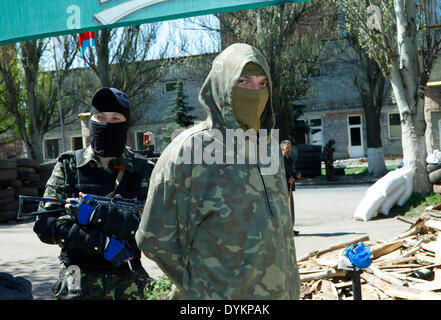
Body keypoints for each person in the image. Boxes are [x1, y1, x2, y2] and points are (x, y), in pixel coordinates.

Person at [136, 43, 300, 300]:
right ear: (222, 85)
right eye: (243, 82)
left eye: (262, 84)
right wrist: (205, 289)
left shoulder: (270, 149)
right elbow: (153, 238)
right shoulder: (190, 150)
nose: (254, 92)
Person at [33, 88, 154, 300]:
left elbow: (154, 228)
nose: (107, 123)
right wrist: (100, 243)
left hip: (127, 283)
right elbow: (45, 224)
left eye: (115, 118)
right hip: (76, 281)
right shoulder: (69, 165)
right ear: (91, 121)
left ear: (126, 125)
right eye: (100, 117)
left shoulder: (143, 169)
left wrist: (105, 216)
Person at [281, 140, 301, 236]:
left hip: (290, 187)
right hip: (283, 188)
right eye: (287, 148)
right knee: (285, 210)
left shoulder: (290, 159)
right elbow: (278, 174)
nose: (289, 149)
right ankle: (286, 230)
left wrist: (296, 175)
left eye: (290, 147)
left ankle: (291, 229)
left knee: (291, 209)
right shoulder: (280, 160)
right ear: (282, 149)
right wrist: (287, 180)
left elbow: (291, 172)